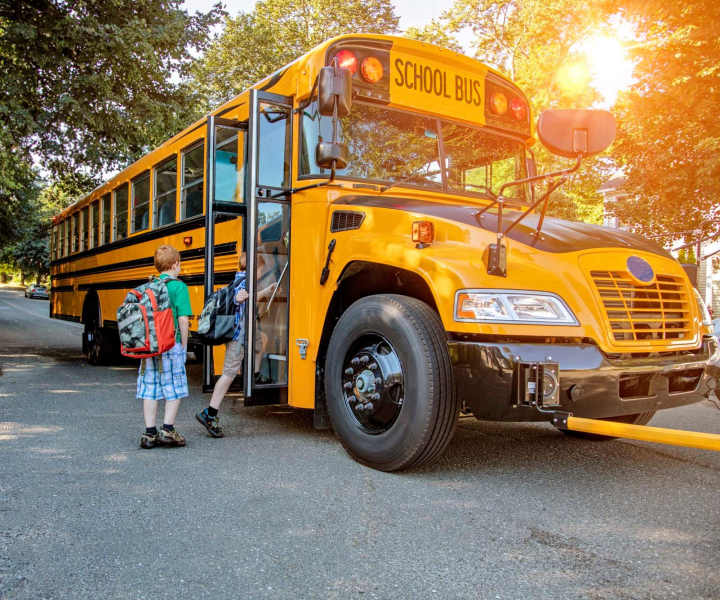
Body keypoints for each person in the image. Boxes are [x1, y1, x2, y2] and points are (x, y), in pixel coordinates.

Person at [195, 251, 275, 437]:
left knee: (259, 341)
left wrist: (265, 292)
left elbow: (248, 297)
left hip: (238, 335)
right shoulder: (245, 282)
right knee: (228, 374)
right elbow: (241, 297)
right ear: (255, 267)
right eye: (260, 268)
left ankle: (255, 375)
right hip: (237, 336)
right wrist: (240, 298)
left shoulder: (239, 279)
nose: (261, 272)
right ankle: (210, 413)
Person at [138, 245, 192, 449]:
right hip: (171, 344)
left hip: (149, 345)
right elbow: (184, 320)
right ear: (175, 264)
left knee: (150, 387)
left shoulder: (148, 286)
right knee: (174, 387)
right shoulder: (179, 287)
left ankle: (149, 433)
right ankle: (167, 429)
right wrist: (184, 346)